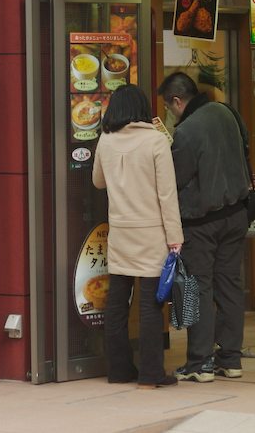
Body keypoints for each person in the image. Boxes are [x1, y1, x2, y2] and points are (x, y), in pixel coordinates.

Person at [157, 71, 250, 383]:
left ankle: (200, 363)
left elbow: (176, 178)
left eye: (168, 107)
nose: (169, 114)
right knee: (230, 286)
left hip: (202, 222)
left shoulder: (187, 131)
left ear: (177, 101)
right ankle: (231, 360)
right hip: (236, 214)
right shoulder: (227, 113)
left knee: (198, 288)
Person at [91, 84, 184, 389]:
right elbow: (167, 194)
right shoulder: (155, 140)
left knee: (117, 303)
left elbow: (98, 181)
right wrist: (175, 236)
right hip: (151, 232)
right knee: (150, 305)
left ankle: (119, 370)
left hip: (120, 231)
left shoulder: (106, 139)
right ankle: (151, 373)